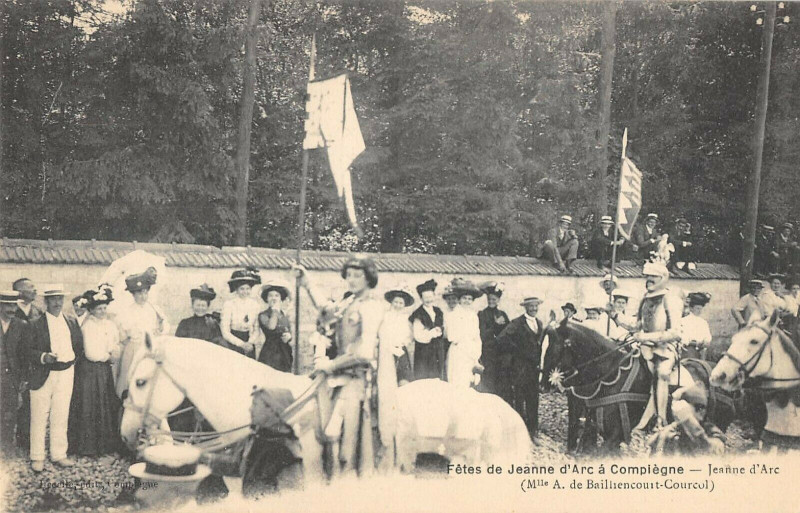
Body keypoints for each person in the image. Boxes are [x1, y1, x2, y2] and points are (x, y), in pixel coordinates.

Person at [313, 256, 384, 474]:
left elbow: (364, 352)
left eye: (357, 275)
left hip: (358, 378)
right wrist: (306, 283)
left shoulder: (371, 306)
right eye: (349, 275)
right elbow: (326, 309)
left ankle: (350, 475)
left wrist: (331, 365)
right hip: (338, 375)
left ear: (369, 278)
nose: (351, 280)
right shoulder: (348, 303)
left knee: (342, 434)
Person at [615, 263, 684, 430]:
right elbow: (636, 326)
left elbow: (675, 333)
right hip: (644, 347)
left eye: (653, 277)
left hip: (665, 349)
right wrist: (615, 315)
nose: (649, 279)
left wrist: (645, 336)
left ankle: (660, 420)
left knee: (662, 373)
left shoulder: (670, 299)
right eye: (647, 276)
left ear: (663, 278)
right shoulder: (645, 299)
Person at [27, 285, 84, 472]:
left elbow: (78, 346)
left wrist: (70, 362)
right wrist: (44, 357)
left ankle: (59, 454)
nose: (57, 302)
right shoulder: (35, 324)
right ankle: (37, 456)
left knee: (61, 414)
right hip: (44, 373)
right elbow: (27, 351)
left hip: (66, 372)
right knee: (39, 415)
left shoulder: (71, 321)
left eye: (60, 298)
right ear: (46, 301)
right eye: (53, 299)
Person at [68, 285, 122, 456]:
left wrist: (114, 352)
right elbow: (91, 353)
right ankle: (88, 446)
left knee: (105, 403)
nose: (102, 311)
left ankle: (105, 445)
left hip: (104, 369)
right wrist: (107, 356)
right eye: (99, 309)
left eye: (104, 308)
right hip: (90, 371)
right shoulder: (88, 327)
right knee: (90, 404)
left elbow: (115, 342)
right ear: (91, 310)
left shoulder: (110, 325)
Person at [496, 296, 547, 438]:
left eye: (536, 306)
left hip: (534, 368)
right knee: (520, 399)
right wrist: (518, 350)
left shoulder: (539, 323)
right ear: (525, 307)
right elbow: (501, 339)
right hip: (520, 368)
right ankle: (519, 432)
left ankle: (533, 431)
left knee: (533, 399)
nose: (534, 309)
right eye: (531, 306)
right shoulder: (517, 323)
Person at [115, 268, 169, 398]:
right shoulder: (127, 312)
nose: (143, 296)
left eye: (145, 292)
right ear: (133, 294)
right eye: (139, 293)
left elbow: (165, 326)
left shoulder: (154, 309)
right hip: (134, 348)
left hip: (151, 348)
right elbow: (122, 334)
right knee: (130, 378)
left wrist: (160, 330)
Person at [12, 277, 42, 451]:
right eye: (31, 287)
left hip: (33, 365)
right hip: (13, 365)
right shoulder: (10, 311)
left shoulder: (38, 311)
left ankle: (25, 440)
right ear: (19, 292)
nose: (35, 290)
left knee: (30, 403)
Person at [1, 291, 27, 458]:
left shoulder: (21, 325)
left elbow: (24, 355)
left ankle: (7, 445)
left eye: (13, 305)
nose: (11, 309)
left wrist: (23, 378)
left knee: (10, 412)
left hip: (12, 376)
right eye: (7, 305)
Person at [444, 281, 483, 388]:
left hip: (471, 353)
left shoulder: (473, 316)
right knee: (457, 381)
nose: (467, 301)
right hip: (459, 352)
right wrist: (466, 340)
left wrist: (476, 355)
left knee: (468, 382)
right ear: (459, 299)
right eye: (464, 298)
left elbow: (477, 337)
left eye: (470, 299)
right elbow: (452, 336)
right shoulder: (452, 315)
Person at [220, 268, 263, 359]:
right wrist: (241, 344)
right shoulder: (229, 305)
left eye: (248, 289)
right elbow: (225, 331)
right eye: (242, 289)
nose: (245, 292)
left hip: (249, 342)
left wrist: (250, 342)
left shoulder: (255, 305)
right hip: (233, 342)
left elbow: (256, 328)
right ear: (237, 289)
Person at [409, 279, 447, 381]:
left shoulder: (438, 311)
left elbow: (443, 327)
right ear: (421, 299)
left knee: (437, 379)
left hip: (438, 351)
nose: (428, 300)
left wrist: (440, 330)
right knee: (424, 379)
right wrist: (432, 333)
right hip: (424, 352)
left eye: (430, 297)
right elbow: (418, 336)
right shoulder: (418, 314)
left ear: (434, 296)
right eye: (425, 297)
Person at [477, 282, 510, 397]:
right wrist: (495, 325)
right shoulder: (482, 314)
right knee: (488, 379)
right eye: (489, 299)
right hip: (488, 352)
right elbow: (482, 334)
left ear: (498, 300)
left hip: (500, 353)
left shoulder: (502, 314)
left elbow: (508, 331)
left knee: (501, 380)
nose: (491, 301)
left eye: (494, 299)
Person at [379, 288, 415, 386]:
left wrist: (403, 343)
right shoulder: (385, 316)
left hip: (401, 351)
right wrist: (389, 346)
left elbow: (409, 336)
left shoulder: (405, 318)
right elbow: (381, 333)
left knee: (404, 378)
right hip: (386, 350)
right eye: (396, 302)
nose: (398, 305)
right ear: (391, 302)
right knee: (388, 378)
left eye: (401, 303)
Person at [257, 280, 293, 372]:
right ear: (266, 299)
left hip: (284, 351)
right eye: (270, 296)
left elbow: (289, 330)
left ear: (281, 299)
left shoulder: (283, 315)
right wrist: (275, 311)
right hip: (270, 351)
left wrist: (289, 337)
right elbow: (271, 327)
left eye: (277, 296)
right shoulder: (263, 315)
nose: (274, 298)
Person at [680, 292, 712, 360]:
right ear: (691, 308)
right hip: (687, 351)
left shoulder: (703, 322)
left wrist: (706, 342)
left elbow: (707, 338)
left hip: (702, 351)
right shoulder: (683, 321)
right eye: (697, 308)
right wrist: (695, 343)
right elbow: (683, 339)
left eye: (701, 309)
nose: (700, 311)